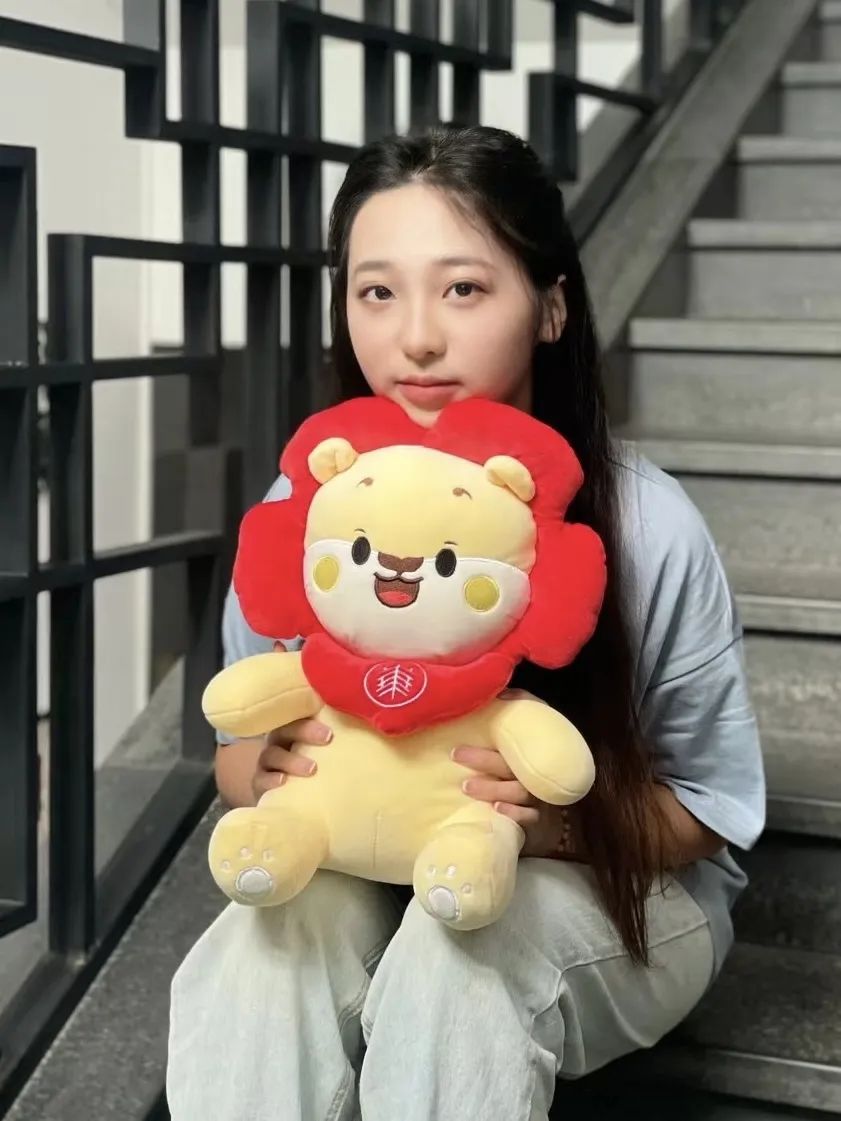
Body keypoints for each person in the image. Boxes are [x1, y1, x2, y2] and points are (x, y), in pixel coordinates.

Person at [166, 124, 765, 1121]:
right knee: (258, 943)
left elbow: (710, 807)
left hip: (618, 888)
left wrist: (543, 822)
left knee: (461, 957)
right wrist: (270, 770)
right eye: (376, 291)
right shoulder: (302, 508)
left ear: (550, 306)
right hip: (366, 863)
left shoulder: (645, 523)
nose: (416, 338)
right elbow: (237, 754)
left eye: (463, 288)